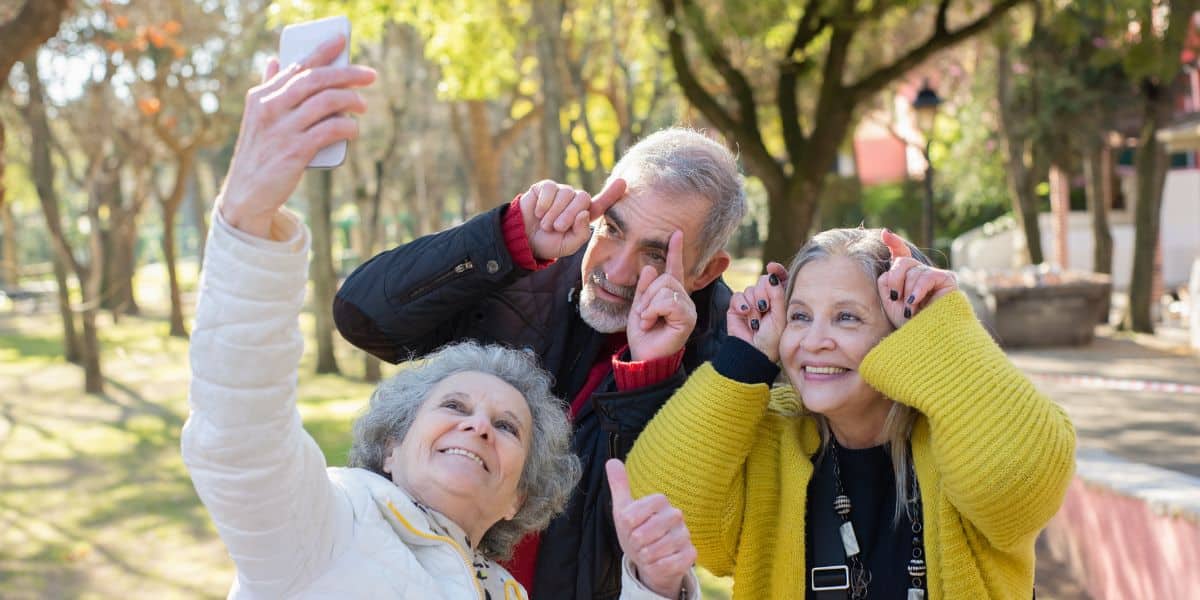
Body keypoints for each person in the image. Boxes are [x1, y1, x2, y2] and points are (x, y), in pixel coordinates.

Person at [185, 35, 700, 599]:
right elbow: (238, 436)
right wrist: (246, 215)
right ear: (390, 447)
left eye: (507, 428)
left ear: (518, 500)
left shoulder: (504, 592)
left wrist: (656, 586)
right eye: (454, 406)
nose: (478, 426)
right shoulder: (324, 528)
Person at [333, 123, 745, 596]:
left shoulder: (725, 363)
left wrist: (648, 376)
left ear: (706, 271)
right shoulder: (527, 265)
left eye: (654, 253)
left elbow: (631, 536)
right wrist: (505, 238)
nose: (615, 269)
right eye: (612, 228)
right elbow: (361, 317)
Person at [625, 228, 1077, 598]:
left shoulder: (961, 434)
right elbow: (663, 503)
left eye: (847, 318)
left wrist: (943, 327)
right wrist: (744, 359)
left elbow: (1018, 485)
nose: (814, 340)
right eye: (800, 317)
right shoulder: (772, 434)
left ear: (904, 329)